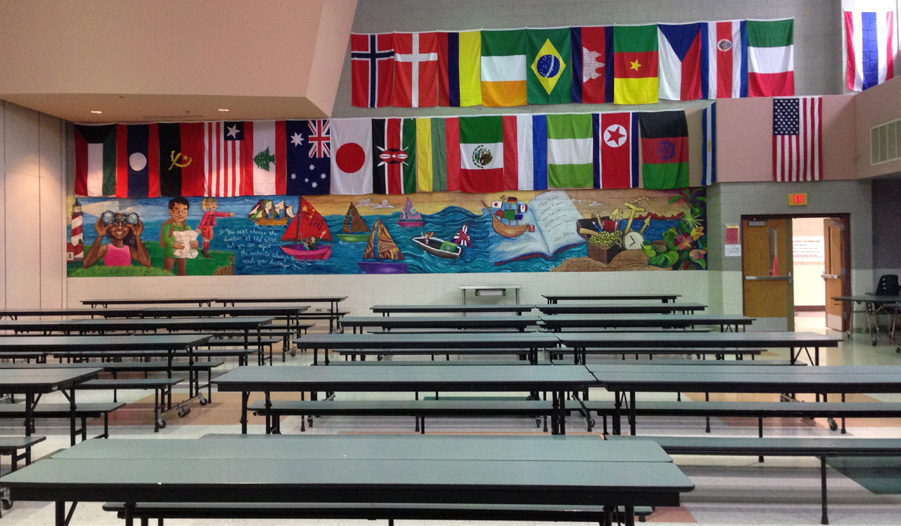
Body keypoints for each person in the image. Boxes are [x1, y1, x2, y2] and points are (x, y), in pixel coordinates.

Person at [82, 211, 151, 268]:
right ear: (108, 228)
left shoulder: (128, 249)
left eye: (124, 225)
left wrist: (137, 236)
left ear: (129, 229)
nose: (120, 227)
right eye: (115, 224)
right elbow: (86, 264)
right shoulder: (105, 248)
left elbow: (146, 263)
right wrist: (100, 236)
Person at [159, 197, 197, 276]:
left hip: (183, 253)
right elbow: (165, 238)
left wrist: (194, 243)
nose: (180, 214)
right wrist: (173, 244)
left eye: (184, 211)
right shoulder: (168, 226)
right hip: (170, 252)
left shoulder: (186, 227)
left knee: (182, 270)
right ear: (170, 212)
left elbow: (191, 238)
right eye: (177, 211)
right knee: (167, 270)